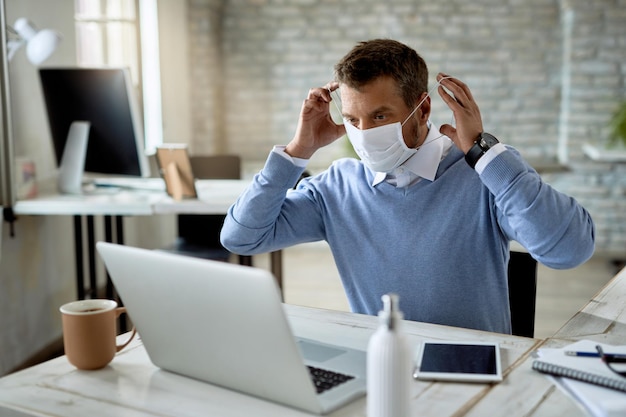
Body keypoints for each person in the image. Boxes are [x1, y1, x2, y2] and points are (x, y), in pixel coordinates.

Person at [220, 39, 595, 334]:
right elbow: (241, 238)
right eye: (352, 119)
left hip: (471, 372)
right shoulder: (337, 187)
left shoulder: (484, 173)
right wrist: (296, 152)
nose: (364, 134)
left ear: (424, 110)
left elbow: (569, 251)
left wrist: (487, 154)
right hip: (381, 364)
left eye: (380, 116)